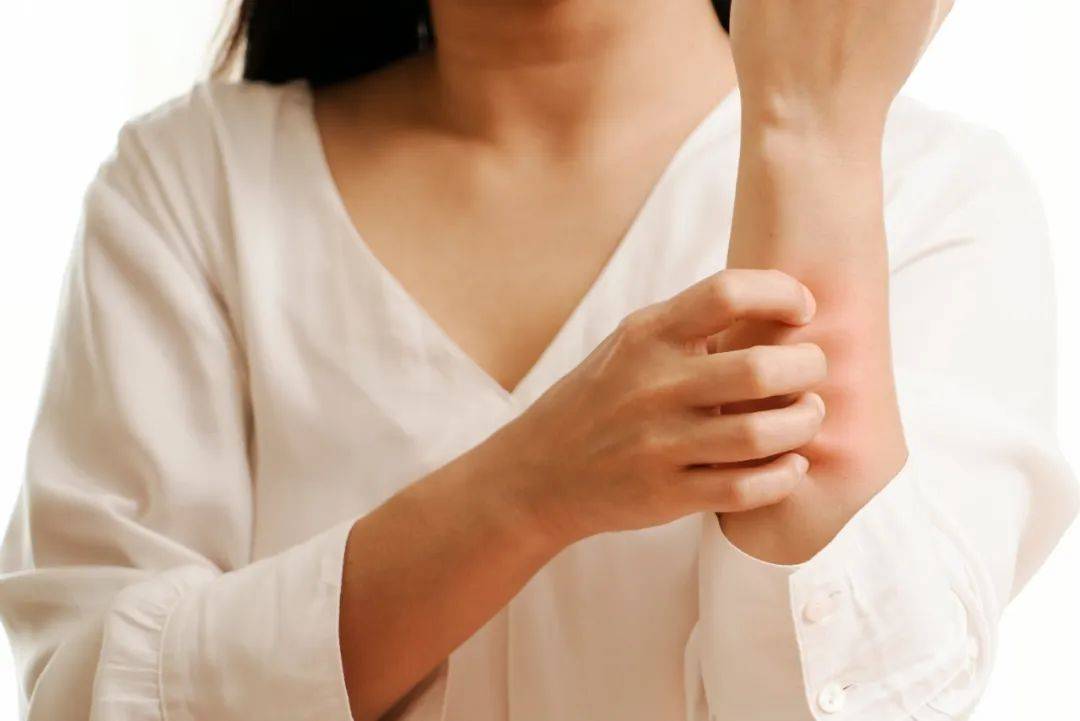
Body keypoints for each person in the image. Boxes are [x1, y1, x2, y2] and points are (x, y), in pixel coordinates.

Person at [0, 1, 1075, 719]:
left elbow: (858, 697)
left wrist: (810, 131)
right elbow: (95, 696)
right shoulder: (192, 185)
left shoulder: (930, 194)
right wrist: (525, 489)